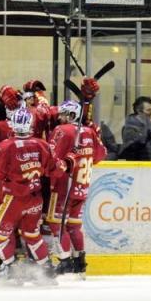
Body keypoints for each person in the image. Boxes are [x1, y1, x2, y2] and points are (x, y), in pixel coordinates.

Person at [0, 108, 66, 285]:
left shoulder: (6, 145)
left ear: (13, 124)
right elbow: (57, 169)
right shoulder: (42, 144)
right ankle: (47, 270)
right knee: (32, 233)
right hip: (35, 198)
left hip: (14, 198)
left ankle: (11, 268)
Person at [46, 100, 107, 278]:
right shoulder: (89, 132)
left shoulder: (62, 131)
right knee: (73, 226)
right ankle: (80, 264)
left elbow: (51, 157)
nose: (60, 117)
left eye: (64, 114)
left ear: (72, 115)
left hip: (65, 185)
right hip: (82, 187)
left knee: (55, 223)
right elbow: (100, 155)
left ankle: (64, 262)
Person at [120, 96, 151, 160]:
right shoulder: (129, 127)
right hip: (138, 165)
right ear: (139, 111)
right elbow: (134, 146)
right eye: (148, 110)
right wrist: (148, 127)